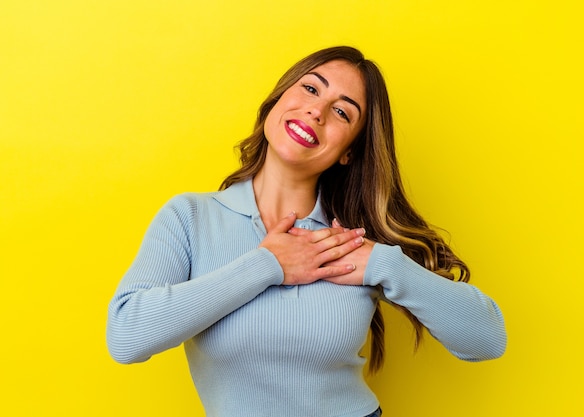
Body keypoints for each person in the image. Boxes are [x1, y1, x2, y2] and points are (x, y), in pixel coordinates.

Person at [106, 46, 507, 417]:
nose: (317, 111)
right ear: (276, 102)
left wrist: (387, 265)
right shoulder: (190, 218)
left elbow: (488, 340)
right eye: (311, 89)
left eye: (343, 112)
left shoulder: (351, 237)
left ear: (349, 151)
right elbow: (126, 338)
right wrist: (267, 265)